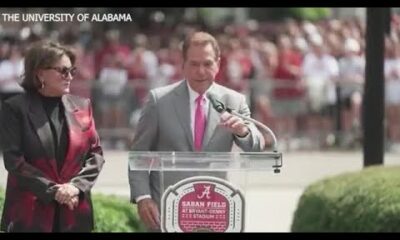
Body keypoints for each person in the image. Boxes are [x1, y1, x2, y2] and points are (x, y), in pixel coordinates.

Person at [128, 31, 264, 231]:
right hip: (167, 211)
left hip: (214, 211)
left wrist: (243, 131)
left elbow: (256, 147)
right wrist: (143, 197)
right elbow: (139, 154)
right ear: (182, 64)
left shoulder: (234, 101)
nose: (201, 71)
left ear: (218, 64)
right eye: (194, 64)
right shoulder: (159, 101)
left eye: (207, 64)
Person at [0, 40, 105, 232]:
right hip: (29, 214)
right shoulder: (14, 108)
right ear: (40, 73)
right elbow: (14, 161)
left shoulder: (82, 107)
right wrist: (54, 191)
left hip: (74, 213)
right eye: (62, 71)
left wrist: (76, 187)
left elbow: (95, 154)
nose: (69, 77)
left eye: (72, 71)